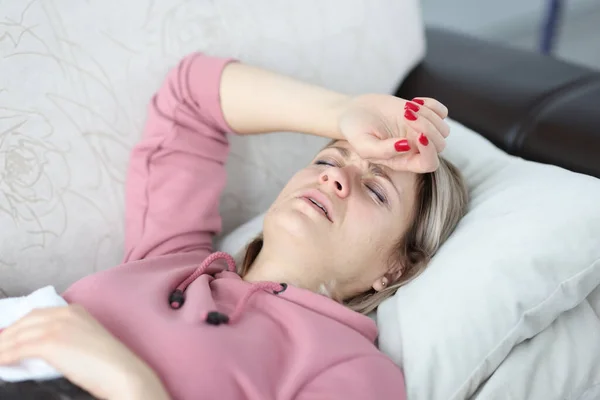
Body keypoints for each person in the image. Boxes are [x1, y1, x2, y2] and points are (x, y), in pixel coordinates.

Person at [0, 53, 468, 399]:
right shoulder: (169, 258)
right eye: (329, 157)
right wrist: (342, 113)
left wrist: (130, 385)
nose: (334, 176)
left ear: (396, 269)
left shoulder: (356, 370)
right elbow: (189, 98)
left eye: (376, 190)